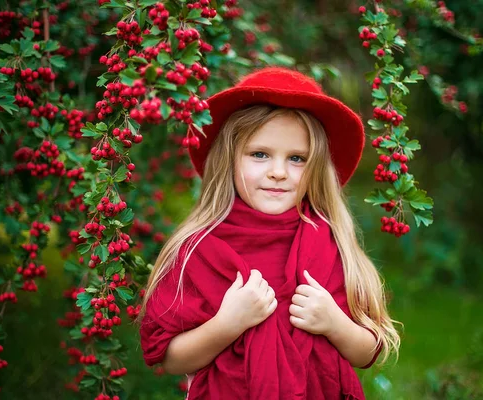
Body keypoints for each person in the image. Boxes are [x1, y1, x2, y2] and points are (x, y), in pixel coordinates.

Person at [138, 67, 401, 399]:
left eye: (297, 158)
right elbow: (171, 359)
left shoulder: (330, 244)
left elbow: (366, 352)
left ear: (316, 168)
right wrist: (227, 324)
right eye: (259, 154)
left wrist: (335, 323)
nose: (278, 172)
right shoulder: (198, 249)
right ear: (229, 160)